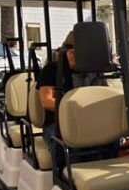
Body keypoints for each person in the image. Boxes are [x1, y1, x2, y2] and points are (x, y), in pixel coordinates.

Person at [38, 31, 115, 167]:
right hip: (58, 123)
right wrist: (75, 111)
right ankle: (66, 180)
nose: (76, 57)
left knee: (113, 141)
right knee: (68, 147)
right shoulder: (52, 70)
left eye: (80, 53)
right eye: (72, 52)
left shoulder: (96, 71)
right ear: (64, 51)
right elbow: (46, 101)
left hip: (92, 121)